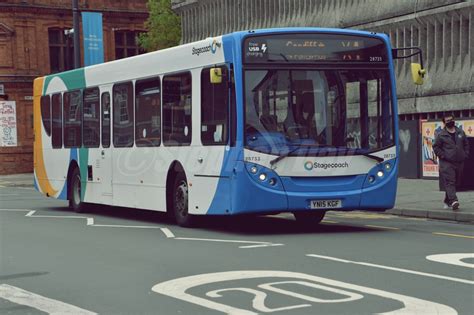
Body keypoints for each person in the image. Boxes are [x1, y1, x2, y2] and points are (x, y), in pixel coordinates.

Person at [433, 114, 470, 210]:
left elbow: (466, 144)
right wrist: (443, 155)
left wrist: (465, 154)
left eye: (451, 119)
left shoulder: (460, 132)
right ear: (444, 122)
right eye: (447, 120)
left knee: (456, 182)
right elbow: (435, 147)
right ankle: (454, 201)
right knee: (450, 181)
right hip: (447, 163)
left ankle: (447, 200)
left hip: (459, 162)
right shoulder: (441, 134)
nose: (450, 121)